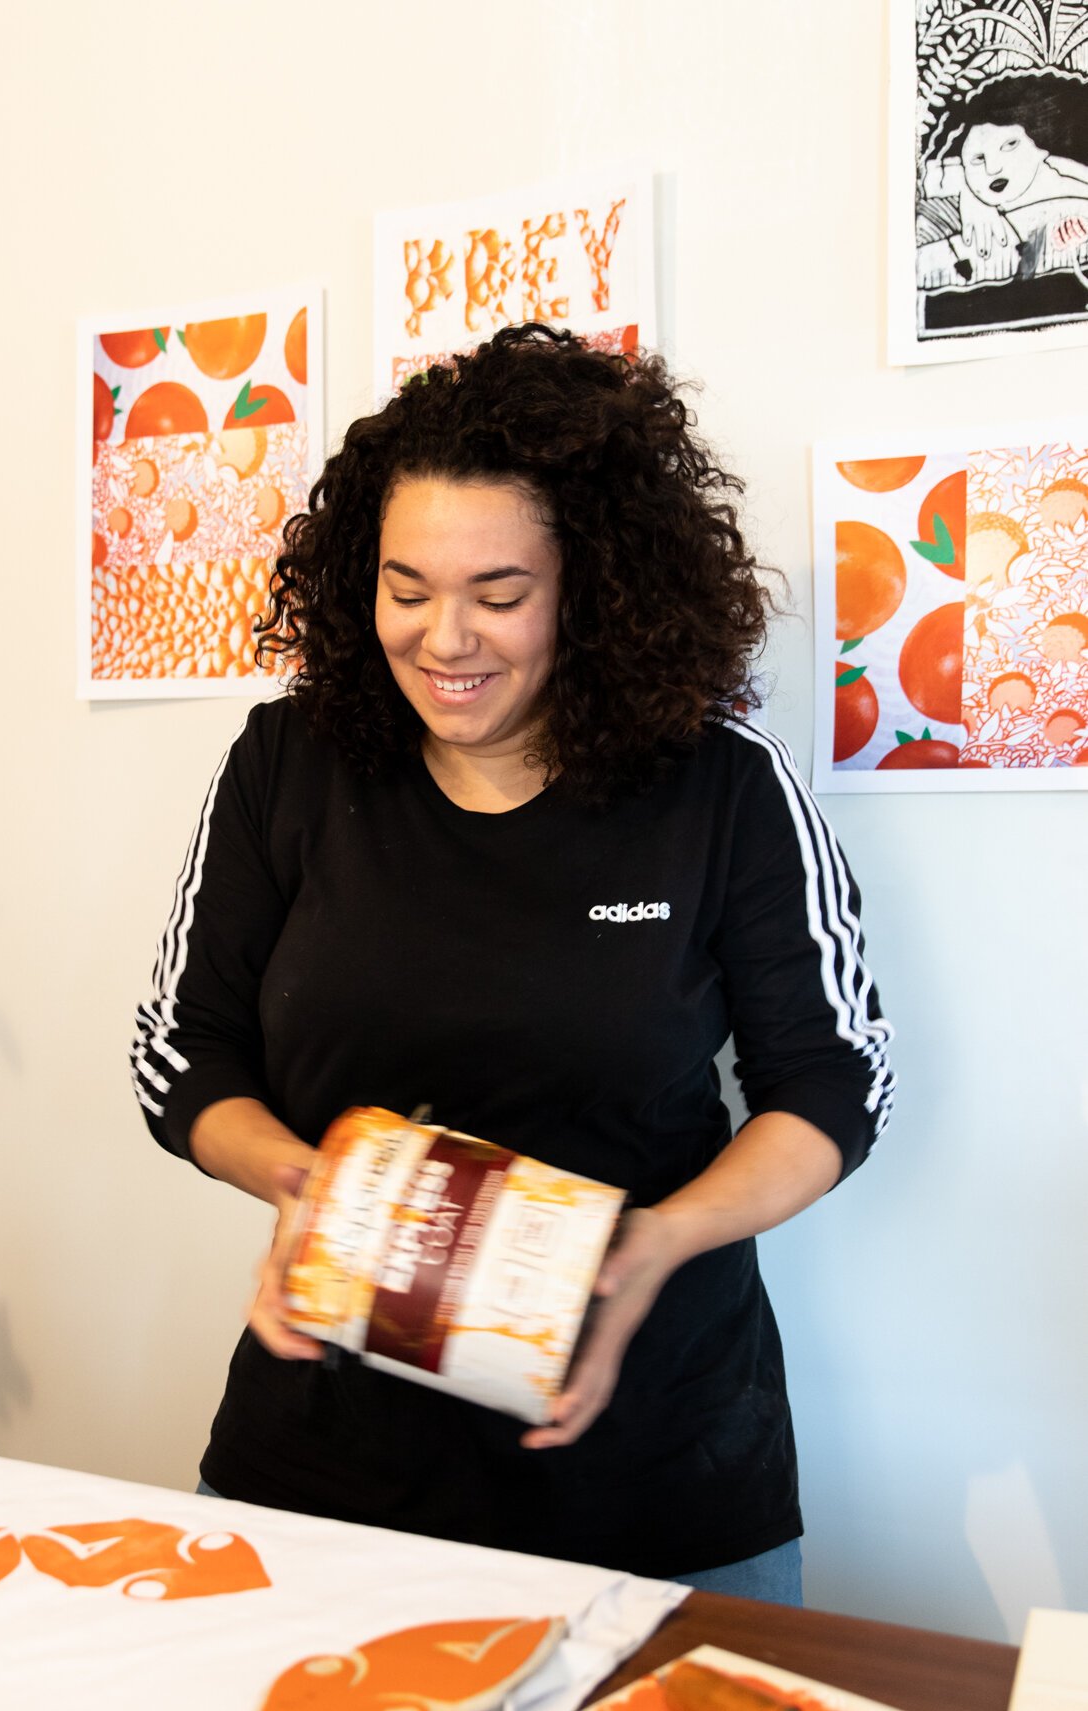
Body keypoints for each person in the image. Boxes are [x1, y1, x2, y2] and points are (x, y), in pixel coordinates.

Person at [131, 326, 892, 1605]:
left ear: (590, 588)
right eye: (406, 586)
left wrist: (657, 1242)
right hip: (324, 1476)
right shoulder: (290, 767)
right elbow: (180, 1051)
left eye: (499, 592)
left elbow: (831, 1087)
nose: (444, 638)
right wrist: (304, 1188)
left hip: (653, 1474)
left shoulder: (720, 790)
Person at [918, 69, 1088, 291]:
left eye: (1010, 145)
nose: (993, 168)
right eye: (978, 159)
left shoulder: (1064, 176)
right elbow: (927, 178)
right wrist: (969, 196)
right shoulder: (952, 189)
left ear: (1041, 145)